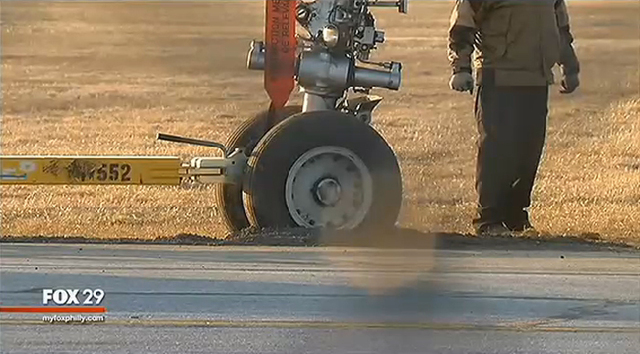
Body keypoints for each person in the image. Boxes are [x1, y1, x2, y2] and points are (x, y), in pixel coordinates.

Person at [447, 0, 580, 235]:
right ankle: (488, 219)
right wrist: (461, 68)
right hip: (498, 77)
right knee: (497, 152)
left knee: (528, 151)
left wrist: (569, 67)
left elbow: (560, 26)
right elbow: (463, 24)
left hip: (537, 78)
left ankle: (515, 216)